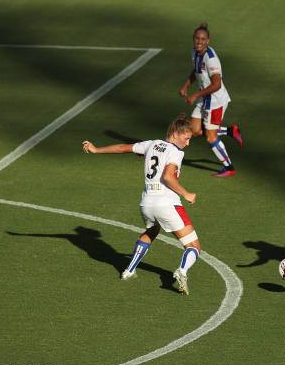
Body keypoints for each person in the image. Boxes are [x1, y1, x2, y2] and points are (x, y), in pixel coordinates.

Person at [81, 114, 203, 295]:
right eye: (186, 138)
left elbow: (122, 148)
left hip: (146, 203)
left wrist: (97, 149)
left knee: (152, 231)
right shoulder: (176, 152)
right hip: (167, 204)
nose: (188, 143)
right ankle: (182, 271)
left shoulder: (151, 144)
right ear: (176, 134)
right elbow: (168, 176)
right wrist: (186, 194)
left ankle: (129, 270)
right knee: (194, 246)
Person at [179, 22, 243, 177]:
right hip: (205, 98)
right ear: (193, 39)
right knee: (195, 130)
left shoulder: (211, 59)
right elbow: (196, 70)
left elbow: (216, 84)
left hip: (215, 101)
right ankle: (230, 130)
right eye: (197, 39)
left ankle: (229, 167)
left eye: (203, 39)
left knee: (210, 136)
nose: (199, 42)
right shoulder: (195, 52)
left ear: (208, 41)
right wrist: (186, 85)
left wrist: (195, 95)